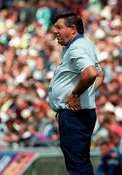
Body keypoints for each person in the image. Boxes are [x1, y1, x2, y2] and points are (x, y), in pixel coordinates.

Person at [48, 12, 104, 175]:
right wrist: (88, 93)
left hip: (75, 115)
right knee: (79, 161)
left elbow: (91, 73)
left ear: (73, 29)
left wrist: (75, 95)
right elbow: (100, 73)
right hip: (80, 113)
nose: (55, 31)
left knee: (77, 164)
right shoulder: (82, 45)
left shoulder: (76, 48)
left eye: (59, 27)